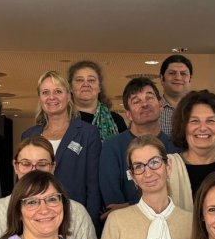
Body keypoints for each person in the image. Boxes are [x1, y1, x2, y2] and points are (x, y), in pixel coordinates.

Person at [21, 71, 102, 224]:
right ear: (40, 98)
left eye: (58, 91)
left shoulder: (88, 133)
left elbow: (93, 187)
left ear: (69, 95)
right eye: (45, 92)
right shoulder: (28, 136)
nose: (52, 97)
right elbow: (22, 184)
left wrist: (90, 225)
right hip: (36, 219)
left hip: (74, 218)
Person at [99, 77, 184, 214]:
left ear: (161, 105)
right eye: (136, 101)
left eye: (149, 98)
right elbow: (114, 206)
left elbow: (177, 196)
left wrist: (130, 205)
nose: (144, 104)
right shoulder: (112, 147)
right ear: (128, 114)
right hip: (128, 228)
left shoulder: (175, 147)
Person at [68, 60, 127, 139]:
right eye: (79, 80)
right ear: (70, 88)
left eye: (91, 80)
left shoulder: (116, 120)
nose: (86, 84)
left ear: (99, 87)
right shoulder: (62, 119)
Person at [157, 55, 193, 135]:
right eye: (172, 73)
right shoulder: (152, 110)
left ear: (190, 79)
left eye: (183, 73)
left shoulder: (199, 109)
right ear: (162, 78)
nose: (178, 77)